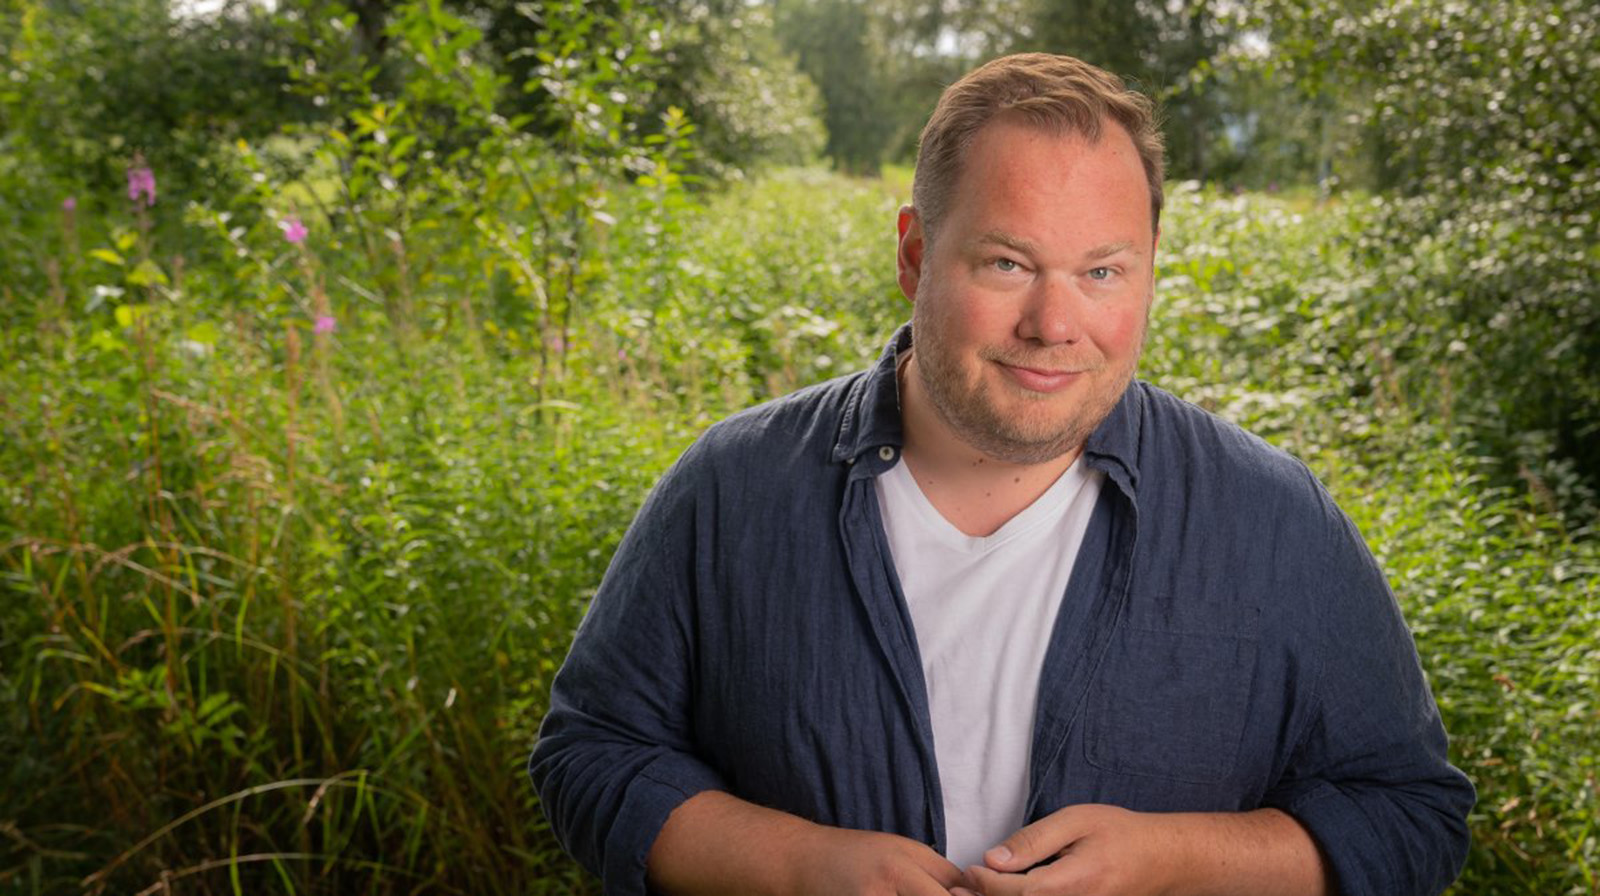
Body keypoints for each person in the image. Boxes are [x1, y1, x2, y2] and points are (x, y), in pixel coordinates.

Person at [529, 53, 1474, 896]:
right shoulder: (731, 490)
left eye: (1104, 272)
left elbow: (1410, 816)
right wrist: (795, 866)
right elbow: (595, 753)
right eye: (1009, 262)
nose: (1054, 324)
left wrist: (1175, 862)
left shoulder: (1275, 521)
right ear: (914, 254)